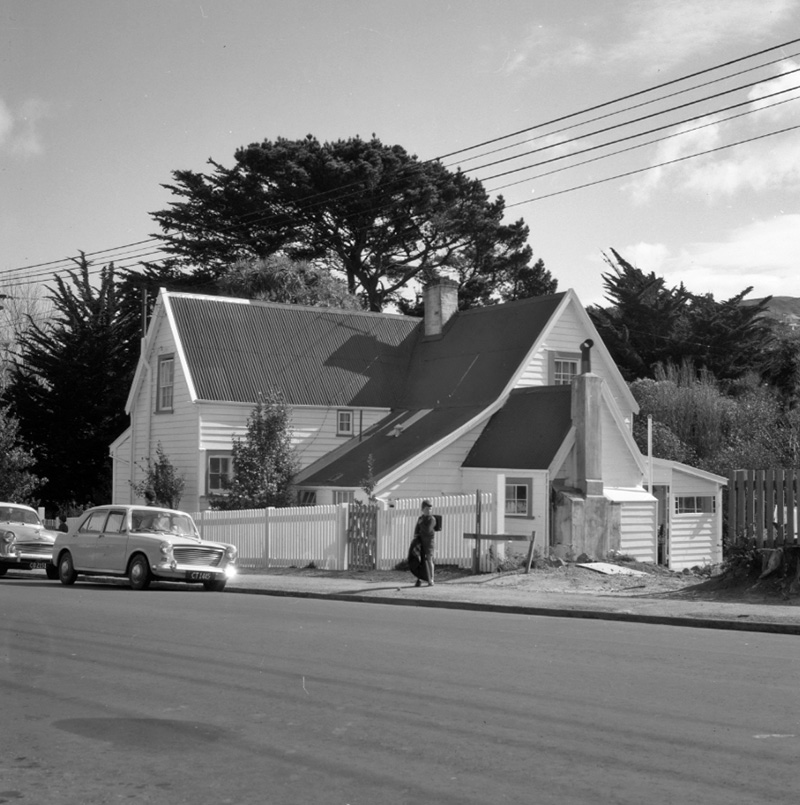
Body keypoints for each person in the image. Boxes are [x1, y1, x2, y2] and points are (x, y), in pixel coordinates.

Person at [413, 500, 437, 587]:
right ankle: (419, 579)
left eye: (430, 509)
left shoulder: (432, 519)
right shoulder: (420, 519)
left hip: (429, 542)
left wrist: (421, 524)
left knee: (429, 559)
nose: (429, 511)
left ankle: (431, 579)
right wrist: (416, 539)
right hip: (421, 542)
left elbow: (427, 530)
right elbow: (416, 530)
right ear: (422, 509)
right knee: (420, 560)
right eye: (427, 509)